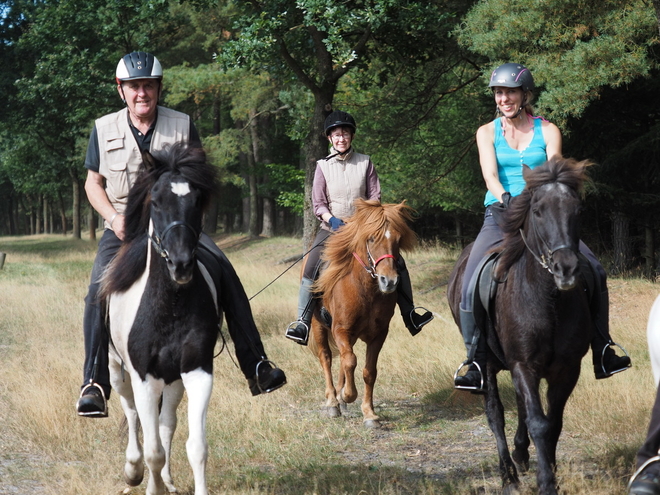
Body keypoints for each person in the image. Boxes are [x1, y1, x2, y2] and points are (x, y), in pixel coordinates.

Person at [76, 51, 286, 417]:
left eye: (148, 86)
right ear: (121, 90)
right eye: (134, 87)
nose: (142, 93)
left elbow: (201, 182)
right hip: (125, 225)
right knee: (97, 288)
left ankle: (256, 364)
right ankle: (94, 383)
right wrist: (112, 218)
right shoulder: (103, 128)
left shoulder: (183, 124)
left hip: (176, 223)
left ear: (158, 88)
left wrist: (188, 219)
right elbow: (93, 184)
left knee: (224, 270)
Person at [453, 63, 631, 393]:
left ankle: (603, 348)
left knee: (594, 268)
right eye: (499, 92)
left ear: (525, 95)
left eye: (510, 92)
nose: (504, 98)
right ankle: (475, 359)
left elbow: (554, 172)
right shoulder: (486, 132)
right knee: (471, 276)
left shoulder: (548, 130)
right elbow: (490, 176)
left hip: (543, 213)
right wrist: (506, 198)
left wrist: (540, 202)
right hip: (500, 212)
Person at [284, 110, 433, 346]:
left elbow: (375, 196)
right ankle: (302, 321)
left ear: (351, 136)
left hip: (364, 229)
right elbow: (318, 202)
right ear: (329, 138)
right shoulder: (322, 166)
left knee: (398, 262)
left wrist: (364, 221)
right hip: (332, 229)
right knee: (312, 263)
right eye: (336, 134)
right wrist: (331, 219)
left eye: (345, 134)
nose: (341, 138)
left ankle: (410, 314)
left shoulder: (365, 162)